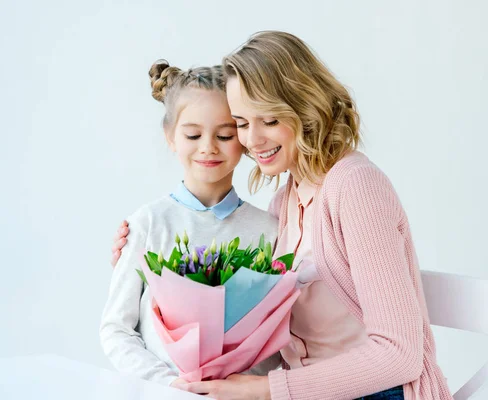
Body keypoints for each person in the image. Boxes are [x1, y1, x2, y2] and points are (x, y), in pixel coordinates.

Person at [112, 31, 453, 400]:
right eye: (242, 122)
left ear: (306, 107)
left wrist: (269, 390)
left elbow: (400, 355)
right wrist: (151, 270)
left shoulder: (356, 187)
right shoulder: (282, 208)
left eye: (270, 120)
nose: (252, 140)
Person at [100, 60, 278, 390]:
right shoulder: (148, 224)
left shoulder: (270, 231)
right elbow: (116, 329)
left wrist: (245, 387)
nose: (208, 146)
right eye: (193, 134)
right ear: (170, 137)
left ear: (243, 137)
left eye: (225, 135)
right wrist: (168, 385)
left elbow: (277, 337)